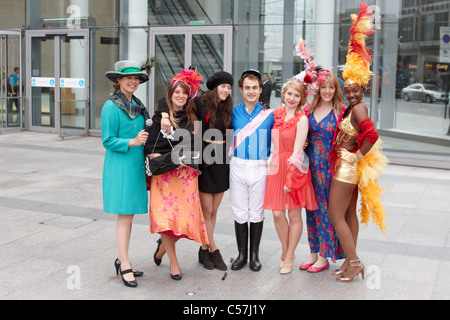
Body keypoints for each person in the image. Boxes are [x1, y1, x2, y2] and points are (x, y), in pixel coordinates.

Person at [328, 3, 388, 283]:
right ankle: (348, 261)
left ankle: (354, 262)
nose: (351, 93)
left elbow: (372, 134)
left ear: (363, 88)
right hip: (347, 166)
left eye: (355, 90)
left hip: (347, 168)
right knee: (349, 212)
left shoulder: (360, 109)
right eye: (348, 89)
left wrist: (356, 156)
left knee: (334, 213)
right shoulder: (352, 108)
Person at [154, 71, 234, 271]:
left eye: (229, 87)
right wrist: (164, 113)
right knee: (205, 210)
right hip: (205, 159)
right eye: (223, 86)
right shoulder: (200, 101)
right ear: (215, 88)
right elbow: (170, 99)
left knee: (214, 210)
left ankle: (204, 248)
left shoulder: (229, 106)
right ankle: (213, 249)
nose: (226, 90)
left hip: (222, 158)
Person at [145, 68, 209, 280]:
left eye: (184, 92)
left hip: (186, 178)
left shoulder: (193, 116)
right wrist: (174, 159)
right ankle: (174, 263)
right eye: (176, 92)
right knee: (165, 221)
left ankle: (162, 247)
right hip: (164, 178)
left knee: (184, 223)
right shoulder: (159, 118)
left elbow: (198, 144)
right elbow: (150, 150)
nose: (180, 96)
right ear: (170, 95)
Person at [102, 60, 152, 287]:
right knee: (124, 217)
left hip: (135, 167)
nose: (133, 81)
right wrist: (132, 141)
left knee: (129, 216)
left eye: (136, 78)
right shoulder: (111, 107)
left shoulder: (138, 105)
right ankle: (124, 264)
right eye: (128, 78)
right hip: (121, 168)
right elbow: (108, 140)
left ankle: (124, 259)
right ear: (119, 80)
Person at [263, 78, 318, 274]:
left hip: (292, 169)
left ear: (302, 98)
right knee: (277, 213)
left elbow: (297, 152)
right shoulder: (275, 115)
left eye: (297, 95)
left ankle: (290, 255)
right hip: (275, 166)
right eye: (289, 94)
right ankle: (286, 250)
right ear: (283, 94)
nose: (292, 98)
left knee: (294, 214)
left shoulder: (302, 119)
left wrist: (290, 178)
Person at [229, 69, 274, 272]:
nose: (251, 91)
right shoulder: (232, 111)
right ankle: (242, 255)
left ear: (260, 89)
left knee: (256, 212)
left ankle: (254, 255)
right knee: (240, 212)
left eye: (254, 87)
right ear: (241, 89)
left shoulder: (270, 114)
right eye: (247, 87)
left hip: (259, 167)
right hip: (237, 165)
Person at [302, 72, 346, 273]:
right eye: (324, 87)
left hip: (329, 169)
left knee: (325, 209)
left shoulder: (341, 112)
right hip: (309, 166)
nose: (327, 91)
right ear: (317, 88)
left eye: (331, 87)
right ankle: (313, 251)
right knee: (310, 209)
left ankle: (324, 256)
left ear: (336, 90)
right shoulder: (309, 109)